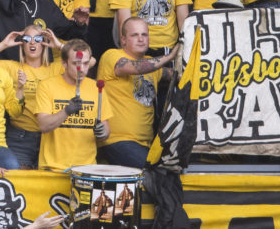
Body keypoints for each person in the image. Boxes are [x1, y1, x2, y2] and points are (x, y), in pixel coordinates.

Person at [96, 17, 175, 169]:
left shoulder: (152, 64)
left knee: (168, 172)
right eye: (135, 35)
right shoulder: (112, 55)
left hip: (145, 144)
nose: (141, 39)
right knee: (155, 172)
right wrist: (169, 56)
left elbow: (176, 75)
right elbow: (133, 67)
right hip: (117, 140)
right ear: (123, 40)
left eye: (144, 34)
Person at [35, 38, 113, 172]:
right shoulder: (47, 86)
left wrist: (102, 133)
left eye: (86, 63)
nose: (81, 69)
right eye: (76, 64)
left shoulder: (96, 88)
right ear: (64, 63)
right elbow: (44, 125)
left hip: (87, 168)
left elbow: (106, 130)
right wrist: (66, 111)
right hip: (53, 167)